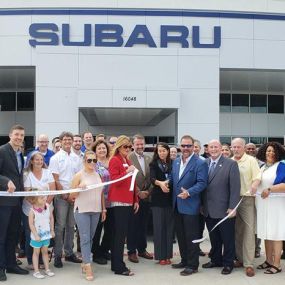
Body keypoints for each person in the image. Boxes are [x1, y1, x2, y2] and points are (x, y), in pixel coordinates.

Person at [170, 135, 208, 276]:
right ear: (180, 146)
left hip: (191, 205)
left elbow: (202, 183)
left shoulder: (200, 163)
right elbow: (173, 179)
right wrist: (165, 184)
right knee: (181, 235)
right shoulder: (176, 162)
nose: (185, 148)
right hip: (177, 205)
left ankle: (193, 265)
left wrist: (189, 192)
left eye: (188, 146)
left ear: (193, 146)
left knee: (191, 236)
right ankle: (184, 260)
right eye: (183, 146)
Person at [202, 140, 240, 275]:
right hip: (208, 209)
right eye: (211, 147)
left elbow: (235, 188)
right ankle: (216, 259)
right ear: (207, 149)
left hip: (225, 209)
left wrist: (232, 207)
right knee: (214, 238)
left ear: (221, 148)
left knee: (227, 238)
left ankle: (228, 263)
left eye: (216, 147)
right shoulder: (204, 163)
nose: (213, 149)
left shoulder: (231, 164)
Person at [70, 150, 106, 281]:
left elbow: (101, 193)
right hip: (82, 210)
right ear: (84, 161)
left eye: (94, 160)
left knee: (90, 238)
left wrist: (103, 209)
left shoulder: (98, 174)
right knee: (85, 238)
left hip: (96, 210)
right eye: (89, 160)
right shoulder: (78, 175)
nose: (92, 163)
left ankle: (85, 261)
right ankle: (88, 265)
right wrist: (79, 188)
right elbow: (71, 196)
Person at [49, 131, 82, 268]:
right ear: (61, 141)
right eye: (65, 139)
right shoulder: (56, 158)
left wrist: (74, 195)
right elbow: (55, 179)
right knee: (60, 226)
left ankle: (69, 253)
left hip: (74, 196)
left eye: (70, 139)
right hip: (61, 196)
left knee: (70, 226)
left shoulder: (76, 158)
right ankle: (58, 255)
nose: (68, 142)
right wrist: (64, 194)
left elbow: (79, 177)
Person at [0, 124, 29, 281]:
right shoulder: (2, 150)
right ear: (10, 135)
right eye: (16, 134)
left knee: (13, 235)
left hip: (17, 201)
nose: (19, 137)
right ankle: (0, 267)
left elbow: (18, 175)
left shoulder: (20, 153)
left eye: (22, 135)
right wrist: (6, 182)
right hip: (4, 202)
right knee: (2, 236)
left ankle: (11, 264)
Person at [108, 135, 139, 276]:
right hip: (119, 202)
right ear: (119, 147)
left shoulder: (127, 159)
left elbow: (133, 183)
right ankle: (119, 266)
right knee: (119, 235)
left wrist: (136, 200)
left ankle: (117, 264)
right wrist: (127, 171)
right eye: (125, 146)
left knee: (120, 235)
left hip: (128, 201)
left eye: (129, 147)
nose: (128, 149)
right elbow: (114, 181)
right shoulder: (114, 160)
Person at [231, 138, 261, 277]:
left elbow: (257, 176)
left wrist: (254, 184)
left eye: (238, 147)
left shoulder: (251, 160)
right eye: (234, 147)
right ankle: (240, 259)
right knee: (238, 231)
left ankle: (248, 264)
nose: (236, 149)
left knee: (249, 231)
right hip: (233, 200)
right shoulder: (230, 161)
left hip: (247, 199)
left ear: (243, 148)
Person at [254, 142, 285, 274]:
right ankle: (268, 260)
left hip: (276, 204)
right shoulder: (263, 167)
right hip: (263, 204)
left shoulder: (281, 166)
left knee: (276, 233)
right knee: (266, 233)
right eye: (268, 151)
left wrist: (269, 189)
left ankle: (277, 264)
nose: (270, 153)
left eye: (273, 151)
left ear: (278, 153)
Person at [23, 151, 55, 270]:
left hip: (46, 209)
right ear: (31, 161)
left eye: (41, 160)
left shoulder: (48, 172)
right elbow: (27, 193)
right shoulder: (27, 174)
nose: (39, 162)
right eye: (37, 159)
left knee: (44, 235)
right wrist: (37, 205)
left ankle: (42, 261)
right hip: (30, 210)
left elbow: (53, 190)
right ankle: (31, 262)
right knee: (30, 235)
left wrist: (45, 205)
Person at [127, 134, 153, 263]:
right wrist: (138, 192)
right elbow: (128, 179)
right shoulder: (128, 158)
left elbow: (151, 177)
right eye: (137, 144)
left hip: (147, 197)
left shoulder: (149, 158)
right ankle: (131, 251)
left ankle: (142, 249)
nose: (140, 146)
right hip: (134, 197)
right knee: (133, 225)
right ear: (133, 145)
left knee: (143, 225)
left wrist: (148, 192)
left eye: (142, 144)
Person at [149, 142, 173, 265]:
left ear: (168, 151)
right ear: (157, 152)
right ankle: (160, 256)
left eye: (164, 150)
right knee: (159, 228)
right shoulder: (153, 164)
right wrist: (161, 184)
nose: (162, 153)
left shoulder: (173, 163)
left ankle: (168, 255)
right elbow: (152, 179)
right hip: (157, 200)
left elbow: (174, 177)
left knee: (169, 229)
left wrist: (168, 182)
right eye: (160, 151)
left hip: (169, 200)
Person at [91, 140, 112, 265]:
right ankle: (96, 253)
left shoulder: (112, 162)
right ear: (95, 151)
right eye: (99, 148)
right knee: (97, 228)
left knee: (110, 228)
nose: (102, 150)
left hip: (112, 200)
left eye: (104, 148)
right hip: (98, 201)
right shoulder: (94, 164)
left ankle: (104, 249)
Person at [28, 194, 55, 279]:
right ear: (35, 199)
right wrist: (36, 235)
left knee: (45, 252)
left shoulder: (47, 206)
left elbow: (51, 218)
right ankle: (36, 271)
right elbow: (31, 224)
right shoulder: (32, 211)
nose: (45, 198)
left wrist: (52, 230)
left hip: (46, 235)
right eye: (41, 197)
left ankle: (47, 269)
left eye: (45, 196)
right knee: (36, 253)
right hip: (37, 237)